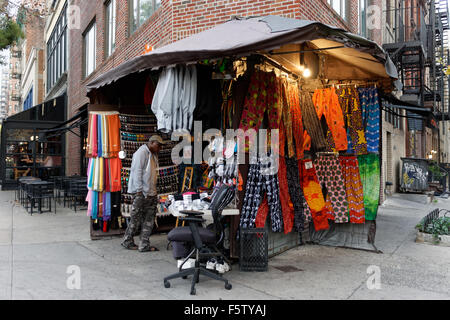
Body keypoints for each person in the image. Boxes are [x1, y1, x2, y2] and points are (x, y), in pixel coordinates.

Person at [121, 135, 164, 252]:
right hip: (142, 192)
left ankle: (143, 244)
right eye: (158, 145)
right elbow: (137, 172)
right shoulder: (141, 153)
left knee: (148, 218)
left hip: (150, 192)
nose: (160, 148)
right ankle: (128, 241)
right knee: (136, 218)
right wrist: (139, 190)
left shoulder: (152, 154)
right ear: (152, 142)